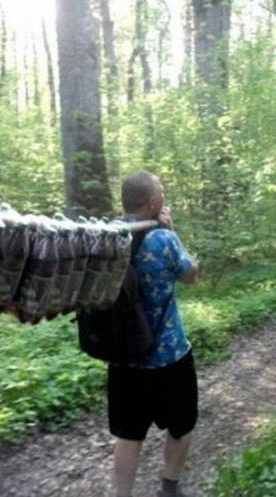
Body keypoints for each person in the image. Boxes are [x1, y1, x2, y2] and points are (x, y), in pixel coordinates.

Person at [109, 170, 200, 497]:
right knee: (181, 426)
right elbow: (191, 275)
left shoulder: (108, 236)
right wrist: (173, 231)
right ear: (152, 202)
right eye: (160, 191)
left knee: (129, 436)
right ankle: (169, 489)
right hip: (169, 356)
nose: (163, 195)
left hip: (123, 357)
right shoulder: (163, 239)